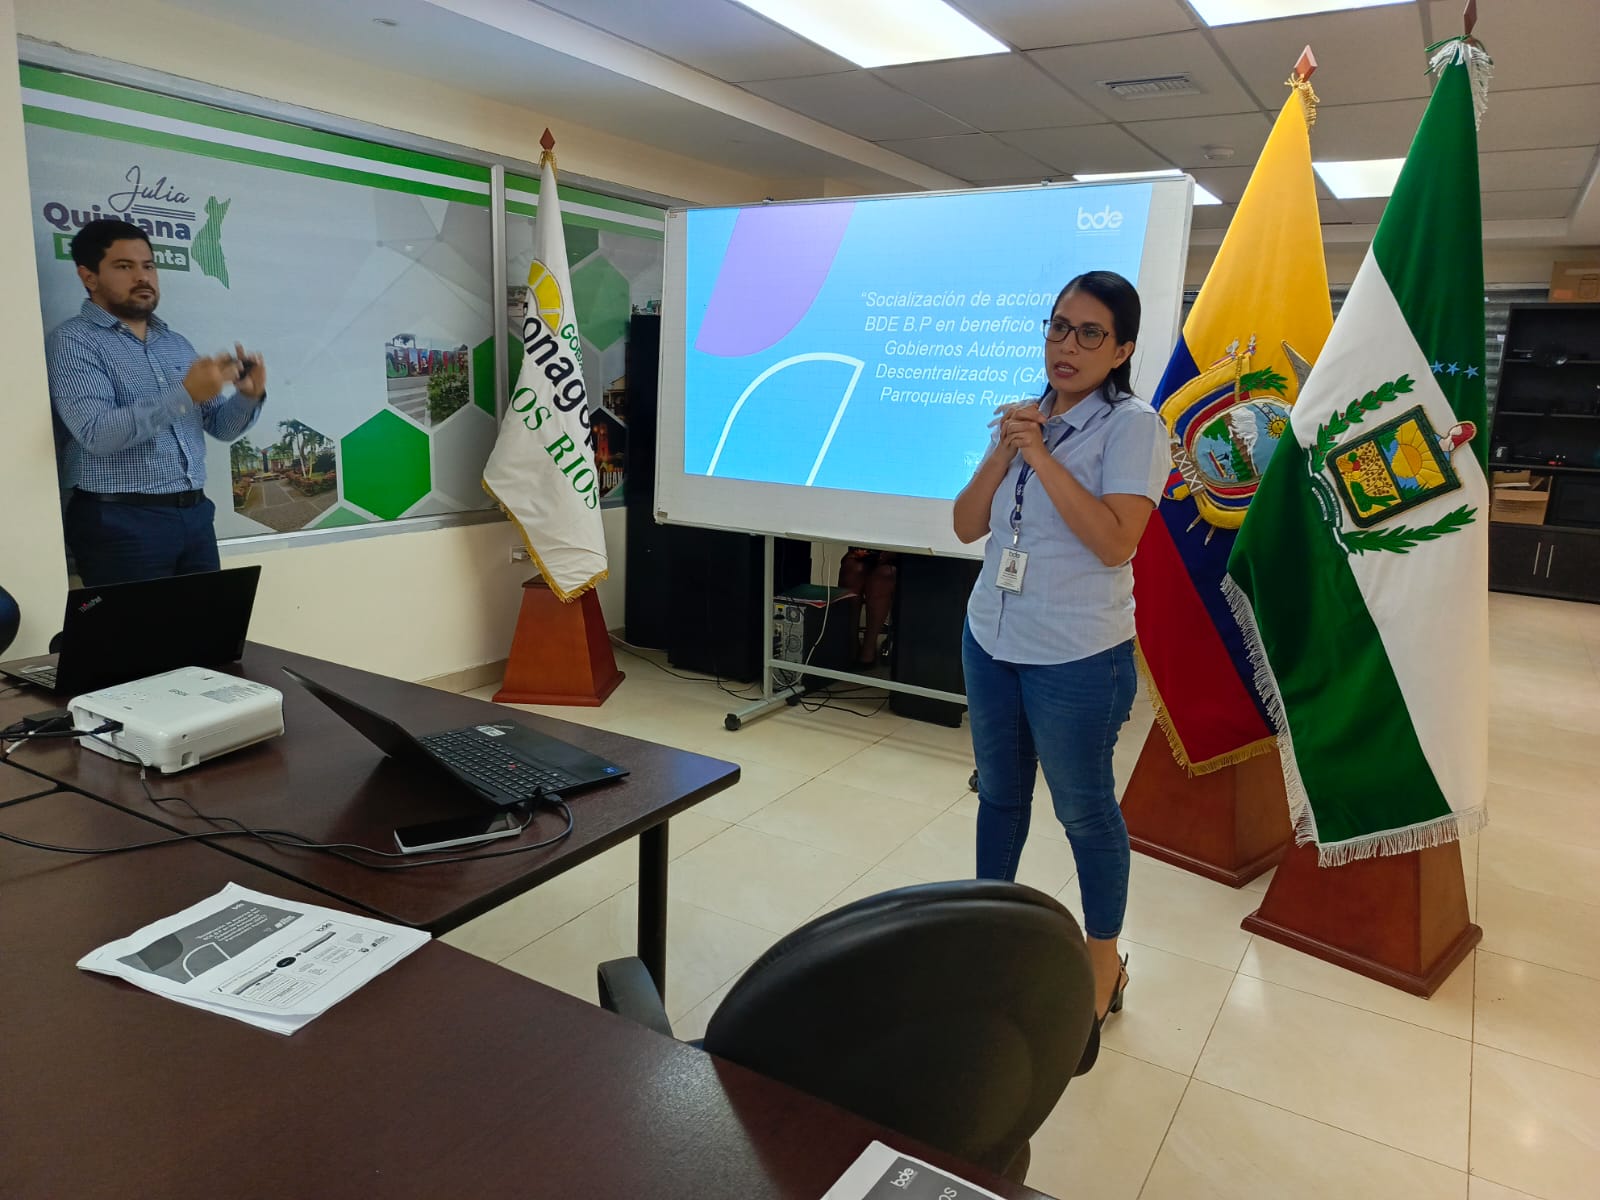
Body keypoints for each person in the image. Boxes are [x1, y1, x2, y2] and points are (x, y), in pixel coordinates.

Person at [952, 270, 1169, 1075]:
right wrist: (1007, 448)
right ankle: (988, 935)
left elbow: (1115, 542)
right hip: (992, 637)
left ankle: (1103, 965)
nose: (1065, 346)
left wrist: (1041, 457)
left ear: (1122, 350)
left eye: (1088, 333)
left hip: (1078, 654)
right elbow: (966, 524)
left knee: (1084, 812)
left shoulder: (1135, 428)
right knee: (1000, 795)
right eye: (1056, 327)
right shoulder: (1026, 416)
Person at [46, 218, 267, 587]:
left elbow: (220, 427)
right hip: (120, 522)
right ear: (89, 277)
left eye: (148, 266)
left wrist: (248, 396)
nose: (142, 277)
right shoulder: (73, 342)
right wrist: (186, 394)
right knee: (138, 626)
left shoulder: (175, 344)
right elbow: (96, 434)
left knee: (209, 621)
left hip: (194, 515)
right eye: (124, 266)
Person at [837, 547, 897, 665]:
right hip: (869, 550)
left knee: (883, 577)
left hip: (900, 554)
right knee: (852, 570)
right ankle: (851, 642)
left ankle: (869, 646)